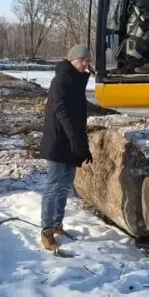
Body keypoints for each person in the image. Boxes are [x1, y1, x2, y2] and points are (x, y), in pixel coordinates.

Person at [39, 43, 93, 253]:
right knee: (53, 186)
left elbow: (80, 118)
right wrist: (75, 140)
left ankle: (57, 224)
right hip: (58, 140)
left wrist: (83, 145)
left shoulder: (77, 80)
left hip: (71, 141)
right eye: (83, 60)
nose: (86, 65)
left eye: (88, 61)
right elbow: (62, 113)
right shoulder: (61, 79)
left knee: (65, 185)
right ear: (73, 59)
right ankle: (46, 231)